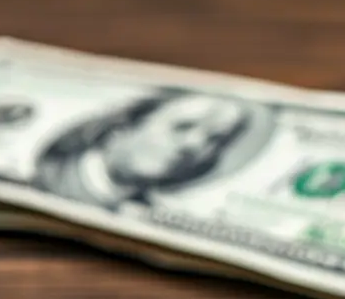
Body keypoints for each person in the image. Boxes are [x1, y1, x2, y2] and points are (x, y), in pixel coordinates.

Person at [31, 87, 251, 209]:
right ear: (125, 126)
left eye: (215, 140)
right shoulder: (41, 179)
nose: (194, 145)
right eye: (182, 127)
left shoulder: (149, 213)